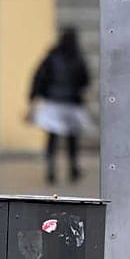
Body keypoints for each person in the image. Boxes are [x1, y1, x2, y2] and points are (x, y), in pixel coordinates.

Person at [29, 26, 92, 184]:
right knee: (72, 138)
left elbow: (40, 76)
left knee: (52, 137)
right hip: (71, 102)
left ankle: (51, 168)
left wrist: (34, 96)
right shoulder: (77, 57)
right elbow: (85, 79)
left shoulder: (52, 56)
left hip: (53, 101)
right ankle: (73, 167)